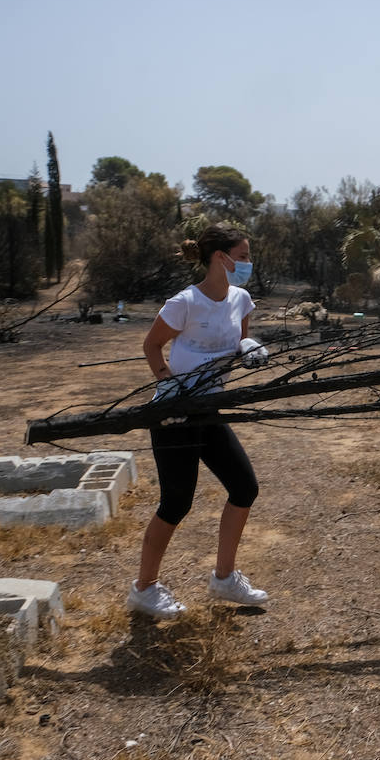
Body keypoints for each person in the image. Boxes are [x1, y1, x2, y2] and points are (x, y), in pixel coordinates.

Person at [129, 223, 269, 619]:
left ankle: (224, 578)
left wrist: (248, 346)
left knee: (244, 488)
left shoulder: (241, 299)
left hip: (208, 409)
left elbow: (240, 338)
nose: (247, 263)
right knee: (176, 502)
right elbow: (152, 344)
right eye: (242, 256)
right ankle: (144, 588)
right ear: (219, 258)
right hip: (174, 412)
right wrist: (167, 385)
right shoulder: (186, 302)